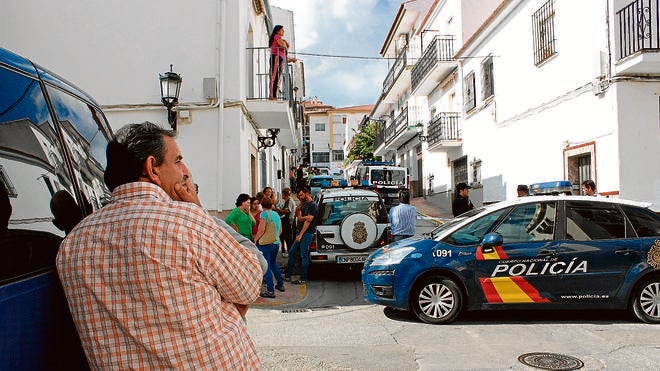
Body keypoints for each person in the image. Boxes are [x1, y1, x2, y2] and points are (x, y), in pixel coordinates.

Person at [56, 122, 263, 369]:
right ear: (152, 168)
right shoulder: (187, 220)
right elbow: (250, 284)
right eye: (177, 161)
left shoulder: (72, 245)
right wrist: (199, 212)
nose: (183, 170)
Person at [285, 186, 318, 285]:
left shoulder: (313, 206)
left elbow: (308, 221)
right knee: (291, 252)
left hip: (307, 233)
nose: (299, 197)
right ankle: (288, 275)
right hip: (300, 232)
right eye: (299, 195)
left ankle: (303, 278)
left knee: (304, 256)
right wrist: (300, 209)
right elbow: (297, 216)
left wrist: (300, 234)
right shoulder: (303, 203)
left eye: (301, 195)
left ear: (307, 193)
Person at [253, 197, 285, 298]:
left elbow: (261, 230)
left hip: (265, 244)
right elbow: (280, 230)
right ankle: (280, 285)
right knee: (274, 263)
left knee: (266, 266)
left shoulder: (263, 214)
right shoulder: (276, 214)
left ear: (262, 205)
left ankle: (270, 291)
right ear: (271, 205)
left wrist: (255, 239)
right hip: (276, 242)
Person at [268, 25, 296, 100]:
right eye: (282, 30)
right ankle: (272, 95)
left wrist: (292, 59)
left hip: (279, 58)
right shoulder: (277, 36)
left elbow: (284, 57)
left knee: (278, 77)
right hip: (275, 58)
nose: (283, 31)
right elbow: (282, 45)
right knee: (274, 76)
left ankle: (274, 95)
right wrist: (286, 45)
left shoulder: (279, 38)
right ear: (277, 31)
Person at [276, 188, 296, 256]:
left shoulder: (289, 201)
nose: (281, 195)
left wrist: (278, 210)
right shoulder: (286, 201)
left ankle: (290, 253)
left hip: (288, 222)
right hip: (285, 221)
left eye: (282, 194)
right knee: (284, 236)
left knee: (288, 238)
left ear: (285, 194)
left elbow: (287, 211)